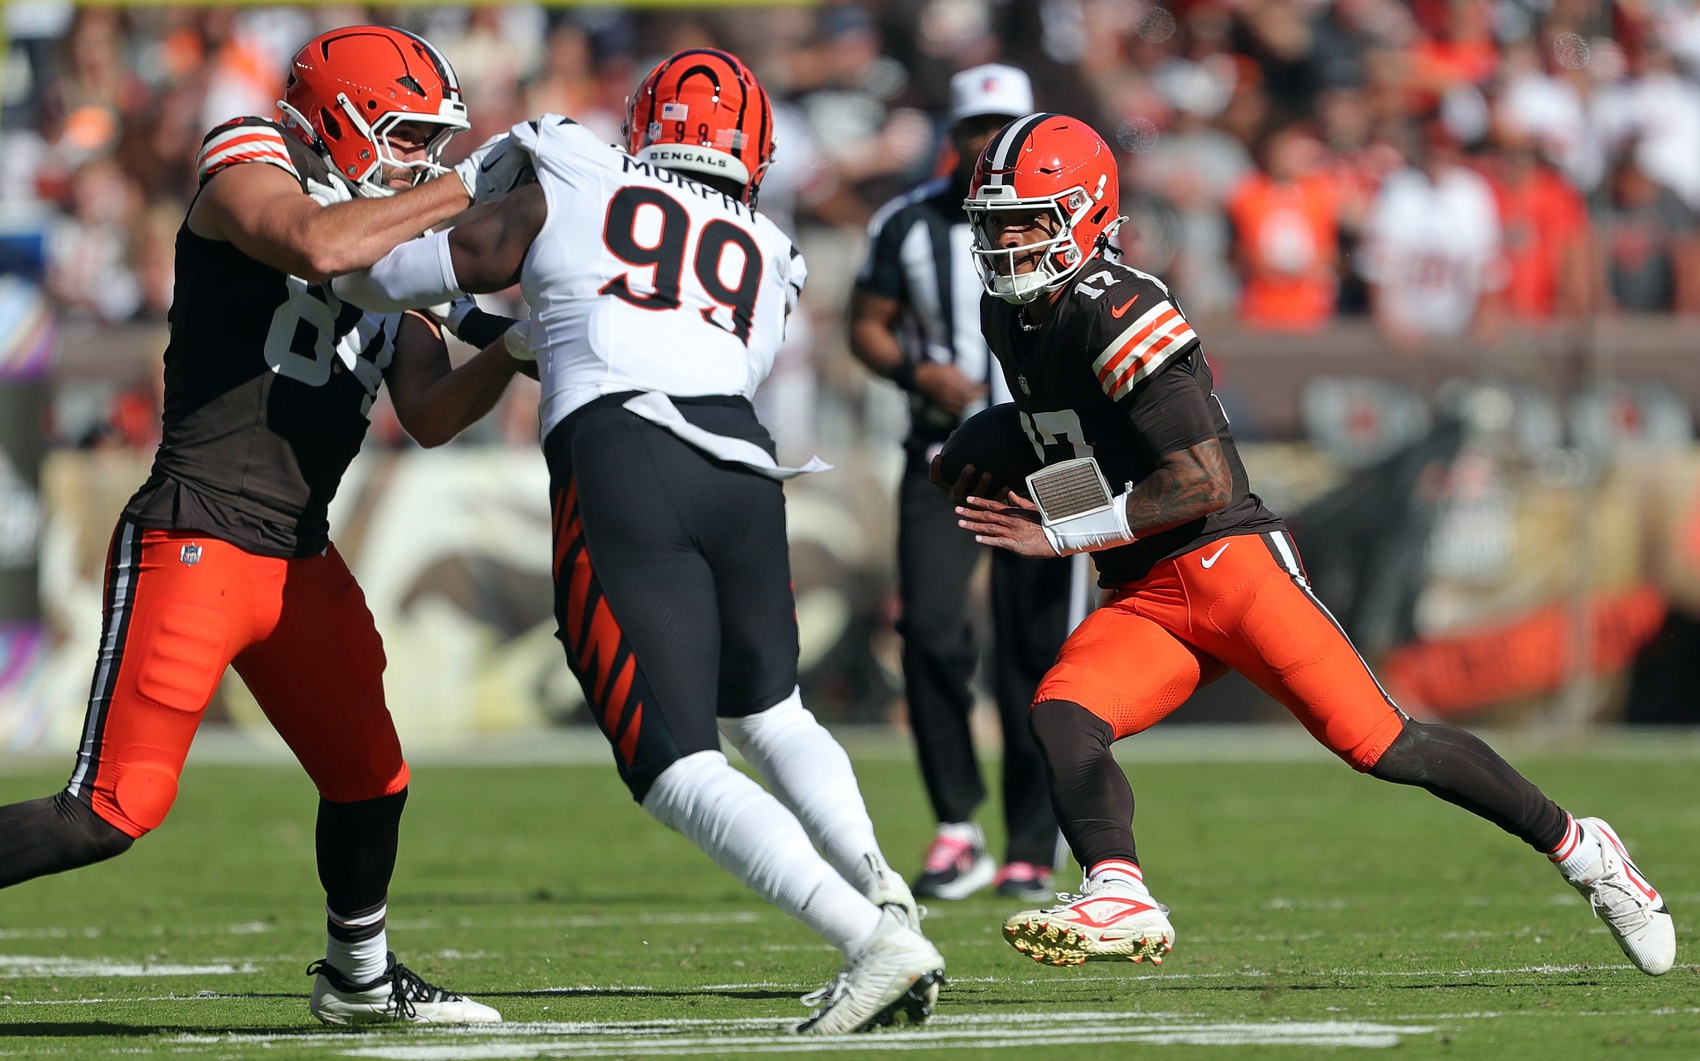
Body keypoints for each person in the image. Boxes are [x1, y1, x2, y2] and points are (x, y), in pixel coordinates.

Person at [945, 113, 1676, 976]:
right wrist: (988, 452)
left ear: (1088, 212)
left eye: (1027, 219)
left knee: (1384, 744)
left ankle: (1583, 847)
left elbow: (1204, 480)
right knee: (1064, 715)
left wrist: (1060, 529)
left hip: (1226, 564)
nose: (1008, 241)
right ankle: (1119, 890)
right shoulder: (1011, 314)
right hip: (1146, 590)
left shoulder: (1119, 306)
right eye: (995, 223)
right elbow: (1090, 452)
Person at [333, 48, 947, 1035]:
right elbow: (644, 323)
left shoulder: (573, 164)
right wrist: (529, 325)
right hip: (744, 466)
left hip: (626, 457)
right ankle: (882, 890)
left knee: (668, 756)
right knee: (770, 708)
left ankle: (869, 936)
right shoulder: (771, 248)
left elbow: (424, 269)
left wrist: (387, 252)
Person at [0, 25, 534, 1025]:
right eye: (413, 133)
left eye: (436, 142)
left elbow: (426, 412)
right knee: (107, 813)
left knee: (371, 772)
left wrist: (521, 346)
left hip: (297, 551)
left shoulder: (387, 233)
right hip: (196, 530)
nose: (429, 157)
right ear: (344, 114)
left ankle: (358, 976)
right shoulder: (252, 156)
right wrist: (465, 193)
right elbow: (314, 242)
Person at [848, 64, 1073, 904]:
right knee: (931, 631)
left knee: (1041, 650)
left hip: (1055, 454)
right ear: (954, 136)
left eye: (1003, 127)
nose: (989, 144)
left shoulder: (1065, 217)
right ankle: (956, 825)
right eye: (976, 129)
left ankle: (1030, 841)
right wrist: (917, 371)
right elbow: (863, 324)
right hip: (944, 452)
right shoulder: (906, 222)